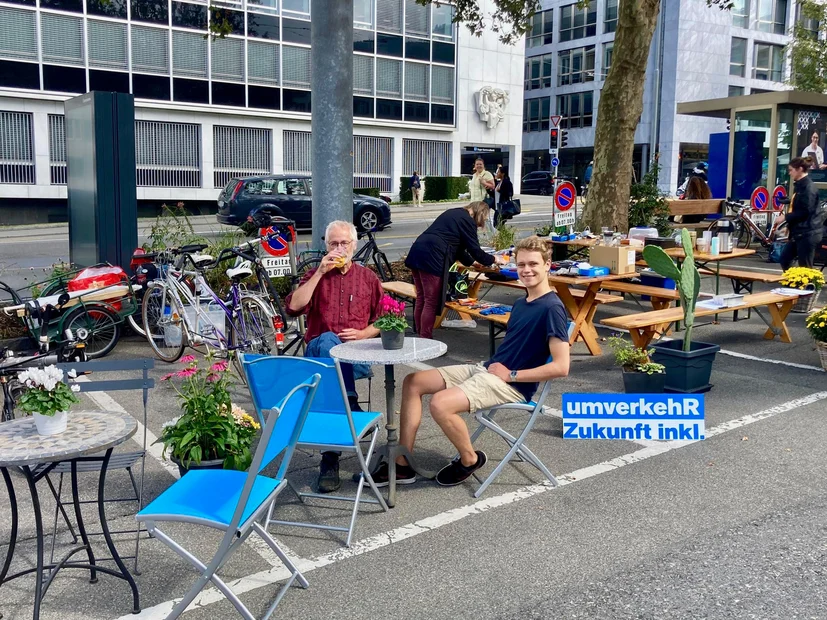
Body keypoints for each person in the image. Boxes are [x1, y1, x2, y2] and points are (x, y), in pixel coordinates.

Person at [373, 236, 571, 487]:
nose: (527, 270)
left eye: (533, 264)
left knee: (441, 404)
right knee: (414, 381)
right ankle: (402, 464)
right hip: (488, 369)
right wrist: (491, 369)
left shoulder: (552, 308)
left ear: (547, 265)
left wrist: (510, 375)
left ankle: (469, 459)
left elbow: (561, 367)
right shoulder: (522, 303)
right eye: (521, 265)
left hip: (510, 384)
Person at [285, 220, 384, 493]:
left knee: (335, 371)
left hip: (357, 360)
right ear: (325, 245)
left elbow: (389, 317)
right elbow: (294, 306)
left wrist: (365, 333)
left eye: (344, 243)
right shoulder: (316, 275)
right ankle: (350, 406)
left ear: (354, 245)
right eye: (333, 244)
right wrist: (319, 272)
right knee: (330, 340)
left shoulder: (368, 278)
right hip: (321, 357)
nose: (339, 248)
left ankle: (330, 459)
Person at [405, 202, 507, 339]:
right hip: (432, 256)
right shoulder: (467, 220)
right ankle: (426, 339)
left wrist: (472, 263)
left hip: (418, 251)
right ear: (480, 213)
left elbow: (457, 248)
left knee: (422, 298)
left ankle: (419, 336)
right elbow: (475, 249)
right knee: (430, 300)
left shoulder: (453, 213)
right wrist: (494, 259)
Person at [777, 157, 824, 270]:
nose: (789, 173)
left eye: (791, 170)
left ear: (800, 169)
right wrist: (789, 226)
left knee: (805, 266)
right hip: (800, 231)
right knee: (785, 259)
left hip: (808, 232)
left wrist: (785, 217)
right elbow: (797, 207)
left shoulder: (808, 187)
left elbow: (805, 211)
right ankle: (794, 281)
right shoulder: (800, 185)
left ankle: (806, 285)